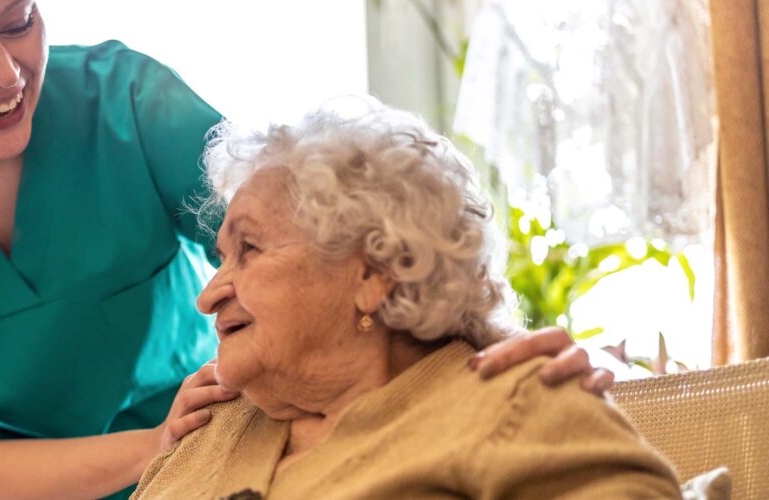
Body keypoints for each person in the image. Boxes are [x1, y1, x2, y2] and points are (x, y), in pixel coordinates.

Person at [0, 0, 610, 497]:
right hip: (58, 482)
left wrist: (502, 356)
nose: (6, 72)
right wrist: (151, 453)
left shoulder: (127, 102)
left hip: (213, 442)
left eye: (20, 21)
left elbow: (328, 240)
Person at [131, 101, 680, 499]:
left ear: (373, 272)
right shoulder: (209, 428)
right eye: (220, 257)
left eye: (248, 248)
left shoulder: (512, 402)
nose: (207, 296)